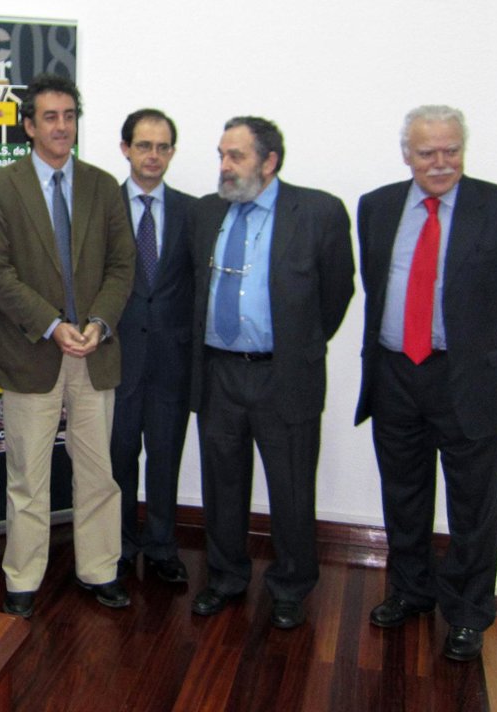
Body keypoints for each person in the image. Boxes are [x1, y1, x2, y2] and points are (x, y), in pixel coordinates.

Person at [356, 105, 497, 661]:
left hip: (468, 379)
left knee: (474, 505)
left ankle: (467, 613)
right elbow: (374, 285)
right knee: (403, 494)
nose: (440, 162)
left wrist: (484, 350)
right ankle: (410, 591)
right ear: (407, 155)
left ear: (463, 149)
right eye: (427, 152)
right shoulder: (377, 206)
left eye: (451, 150)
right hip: (395, 373)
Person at [0, 73, 135, 617]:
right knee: (28, 478)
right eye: (50, 117)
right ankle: (22, 578)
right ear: (29, 126)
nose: (62, 126)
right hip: (31, 353)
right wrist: (51, 324)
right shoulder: (1, 187)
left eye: (69, 116)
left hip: (95, 353)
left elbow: (122, 266)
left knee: (97, 473)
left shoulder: (102, 186)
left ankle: (100, 569)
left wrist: (99, 322)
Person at [190, 116, 354, 629]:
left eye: (236, 156)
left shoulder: (318, 212)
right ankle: (225, 578)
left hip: (283, 374)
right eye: (221, 154)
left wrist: (299, 346)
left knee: (291, 487)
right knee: (221, 484)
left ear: (269, 161)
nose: (224, 165)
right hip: (219, 372)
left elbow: (337, 292)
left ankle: (291, 586)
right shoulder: (205, 212)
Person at [110, 109, 195, 584]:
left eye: (163, 147)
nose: (153, 156)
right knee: (118, 460)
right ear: (126, 149)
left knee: (165, 460)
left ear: (173, 153)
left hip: (170, 363)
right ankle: (119, 547)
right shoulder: (103, 207)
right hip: (116, 359)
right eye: (144, 146)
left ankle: (162, 548)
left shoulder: (192, 211)